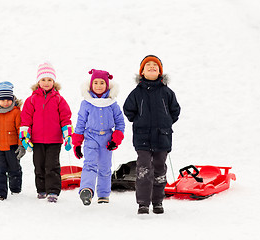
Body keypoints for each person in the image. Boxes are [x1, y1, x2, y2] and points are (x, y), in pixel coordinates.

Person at [123, 55, 181, 214]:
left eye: (155, 66)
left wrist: (167, 122)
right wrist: (139, 120)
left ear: (160, 72)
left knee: (159, 169)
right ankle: (143, 203)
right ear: (142, 72)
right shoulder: (136, 93)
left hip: (162, 138)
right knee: (144, 170)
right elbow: (128, 109)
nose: (151, 67)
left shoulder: (167, 92)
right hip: (142, 139)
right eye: (147, 65)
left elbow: (175, 111)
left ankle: (157, 202)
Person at [20, 62, 72, 203]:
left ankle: (53, 191)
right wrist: (25, 138)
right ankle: (41, 189)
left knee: (52, 166)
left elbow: (66, 119)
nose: (46, 82)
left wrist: (68, 136)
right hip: (37, 140)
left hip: (54, 140)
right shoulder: (31, 100)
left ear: (54, 82)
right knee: (39, 165)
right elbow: (25, 121)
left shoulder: (59, 100)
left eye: (49, 80)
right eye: (43, 79)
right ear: (38, 81)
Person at [72, 69, 125, 206]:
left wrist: (116, 139)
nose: (99, 85)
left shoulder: (112, 104)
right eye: (95, 82)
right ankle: (87, 190)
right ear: (91, 85)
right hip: (90, 137)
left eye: (102, 83)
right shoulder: (86, 103)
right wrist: (77, 143)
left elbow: (120, 123)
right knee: (89, 165)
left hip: (107, 138)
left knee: (105, 168)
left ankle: (103, 194)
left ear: (107, 85)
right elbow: (80, 123)